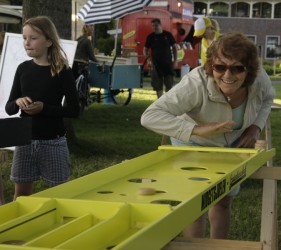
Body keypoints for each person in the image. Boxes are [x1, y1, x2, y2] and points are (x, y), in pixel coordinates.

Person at [141, 32, 275, 239]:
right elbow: (150, 116)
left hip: (232, 143)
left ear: (248, 71)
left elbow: (268, 100)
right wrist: (195, 130)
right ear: (211, 66)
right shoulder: (195, 83)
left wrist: (255, 127)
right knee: (196, 204)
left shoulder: (259, 79)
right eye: (220, 67)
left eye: (237, 68)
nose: (228, 75)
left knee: (223, 200)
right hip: (193, 142)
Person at [5, 16, 80, 200]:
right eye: (24, 38)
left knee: (61, 196)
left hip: (53, 143)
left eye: (33, 38)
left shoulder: (62, 71)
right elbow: (9, 108)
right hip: (24, 142)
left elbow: (74, 110)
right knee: (21, 196)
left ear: (48, 41)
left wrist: (44, 109)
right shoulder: (23, 69)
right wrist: (18, 102)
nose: (27, 42)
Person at [143, 18, 178, 98]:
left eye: (156, 25)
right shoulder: (151, 37)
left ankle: (168, 102)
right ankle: (159, 102)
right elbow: (145, 49)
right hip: (156, 65)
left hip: (168, 64)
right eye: (153, 26)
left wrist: (175, 61)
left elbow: (175, 48)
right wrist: (148, 60)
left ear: (160, 25)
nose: (154, 27)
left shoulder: (168, 35)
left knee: (169, 85)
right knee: (158, 86)